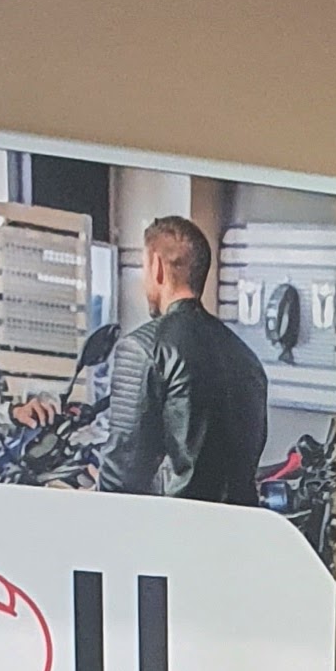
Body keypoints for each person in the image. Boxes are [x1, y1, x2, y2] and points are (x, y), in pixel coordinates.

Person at [100, 215, 268, 504]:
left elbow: (122, 473)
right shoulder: (247, 359)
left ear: (157, 267)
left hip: (170, 525)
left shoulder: (142, 347)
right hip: (237, 527)